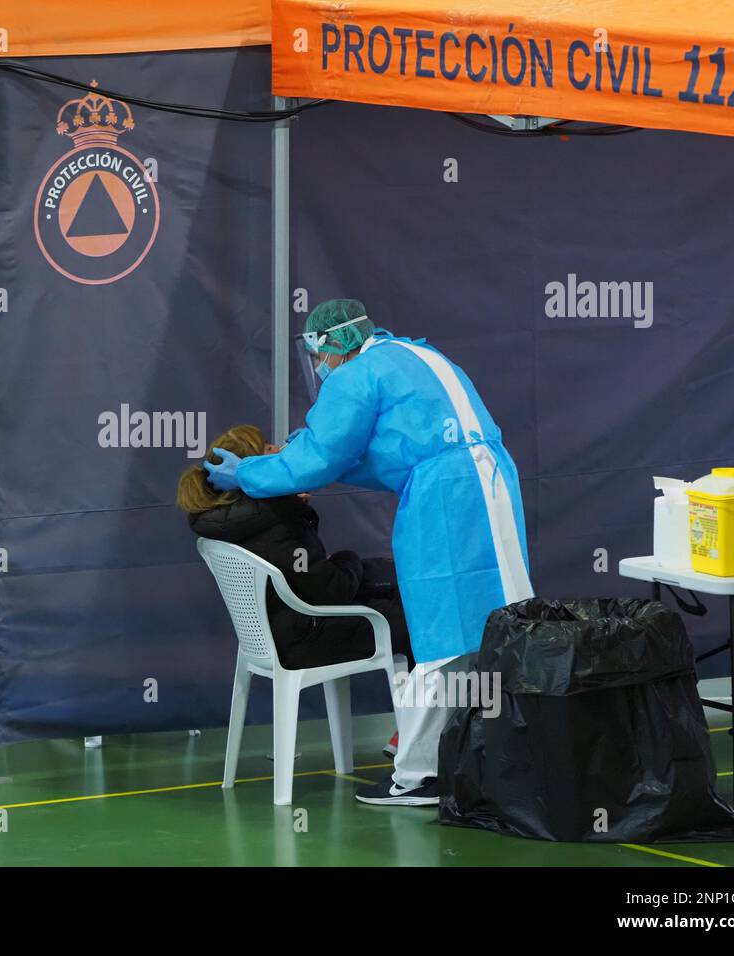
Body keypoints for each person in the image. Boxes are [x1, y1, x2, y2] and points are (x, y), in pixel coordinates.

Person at [204, 299, 533, 806]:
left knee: (440, 639)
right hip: (490, 483)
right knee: (493, 622)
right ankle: (500, 750)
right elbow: (390, 454)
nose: (318, 367)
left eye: (318, 356)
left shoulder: (355, 374)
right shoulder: (414, 356)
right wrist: (305, 456)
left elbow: (321, 457)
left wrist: (249, 473)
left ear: (330, 346)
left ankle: (418, 774)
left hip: (446, 500)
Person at [180, 424, 413, 675]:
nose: (282, 452)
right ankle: (433, 711)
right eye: (272, 450)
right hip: (306, 638)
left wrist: (287, 501)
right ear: (253, 470)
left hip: (283, 633)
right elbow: (333, 590)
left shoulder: (236, 519)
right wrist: (347, 558)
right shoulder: (276, 522)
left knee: (392, 585)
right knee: (422, 618)